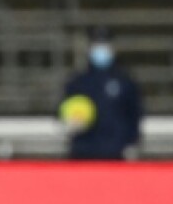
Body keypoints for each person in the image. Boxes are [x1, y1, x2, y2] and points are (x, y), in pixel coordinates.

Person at [59, 26, 143, 160]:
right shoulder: (77, 82)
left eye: (104, 44)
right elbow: (62, 112)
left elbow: (134, 114)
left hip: (115, 153)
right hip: (83, 153)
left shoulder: (125, 81)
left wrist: (132, 143)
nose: (101, 49)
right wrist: (68, 124)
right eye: (97, 44)